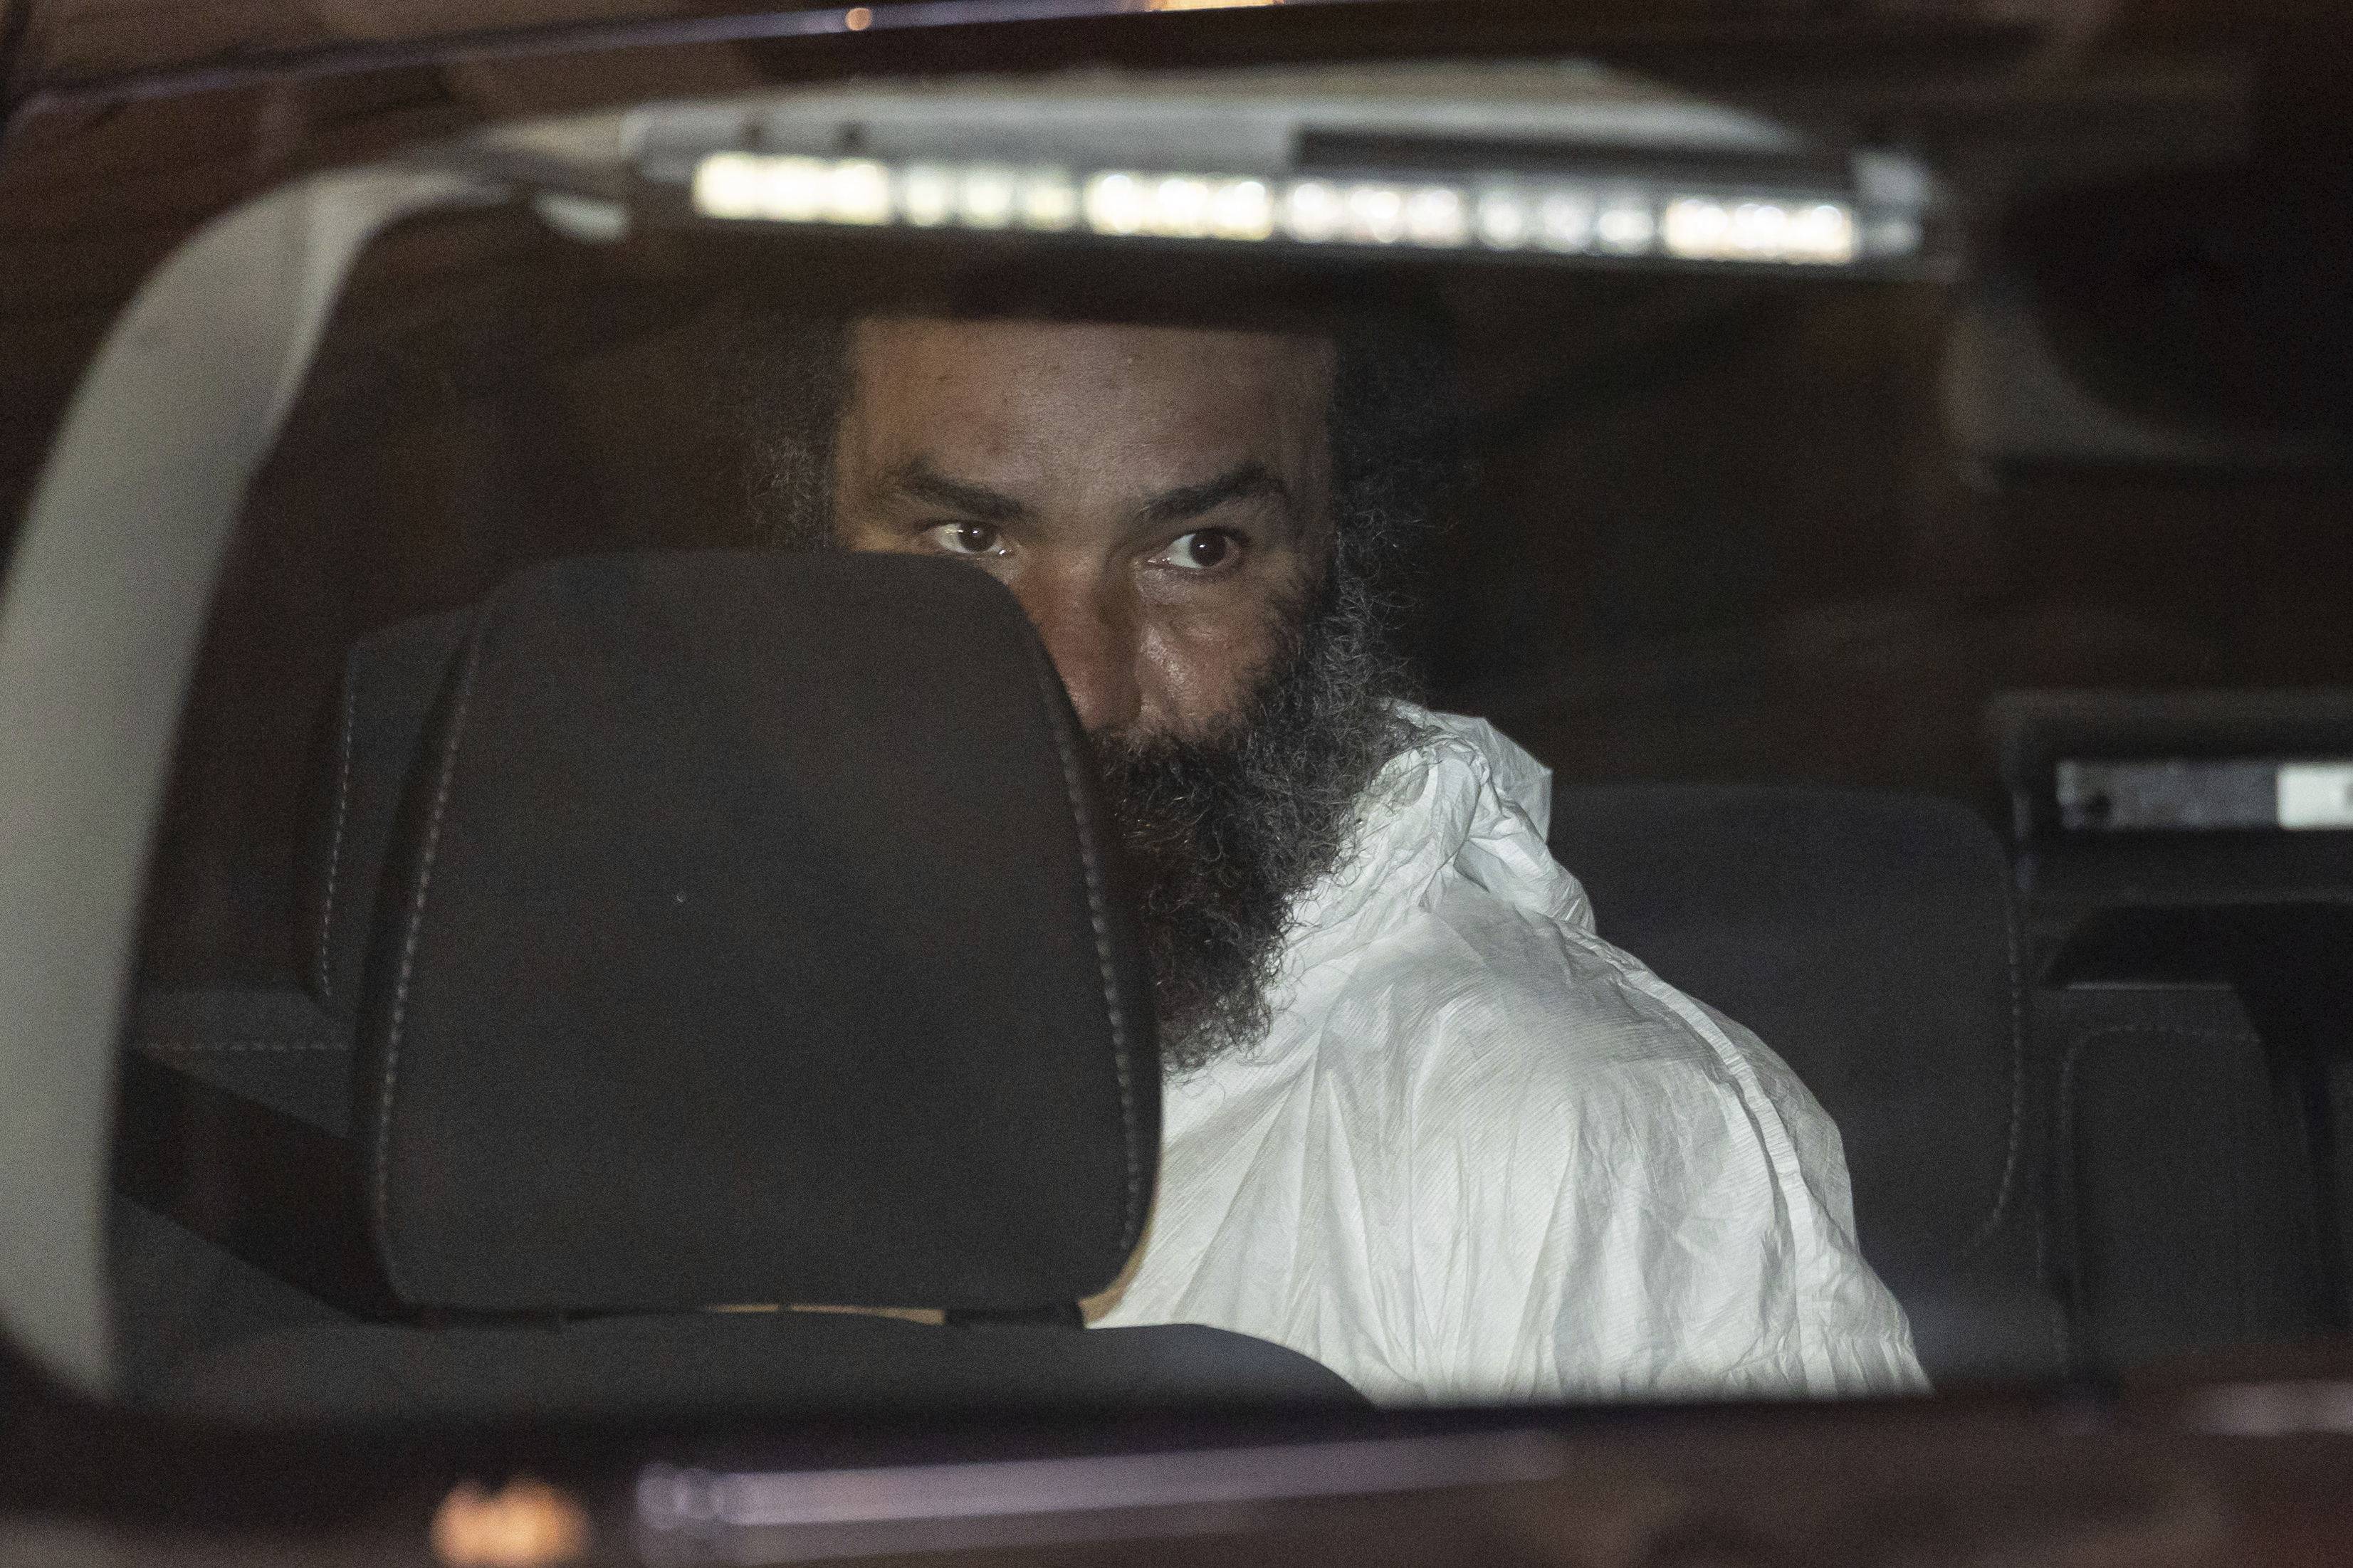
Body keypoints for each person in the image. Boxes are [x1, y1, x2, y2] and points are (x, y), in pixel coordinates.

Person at [745, 281, 1926, 1405]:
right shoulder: (635, 1066)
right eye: (968, 539)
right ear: (806, 545)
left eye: (1197, 549)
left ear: (1336, 576)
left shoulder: (1559, 1137)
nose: (1078, 687)